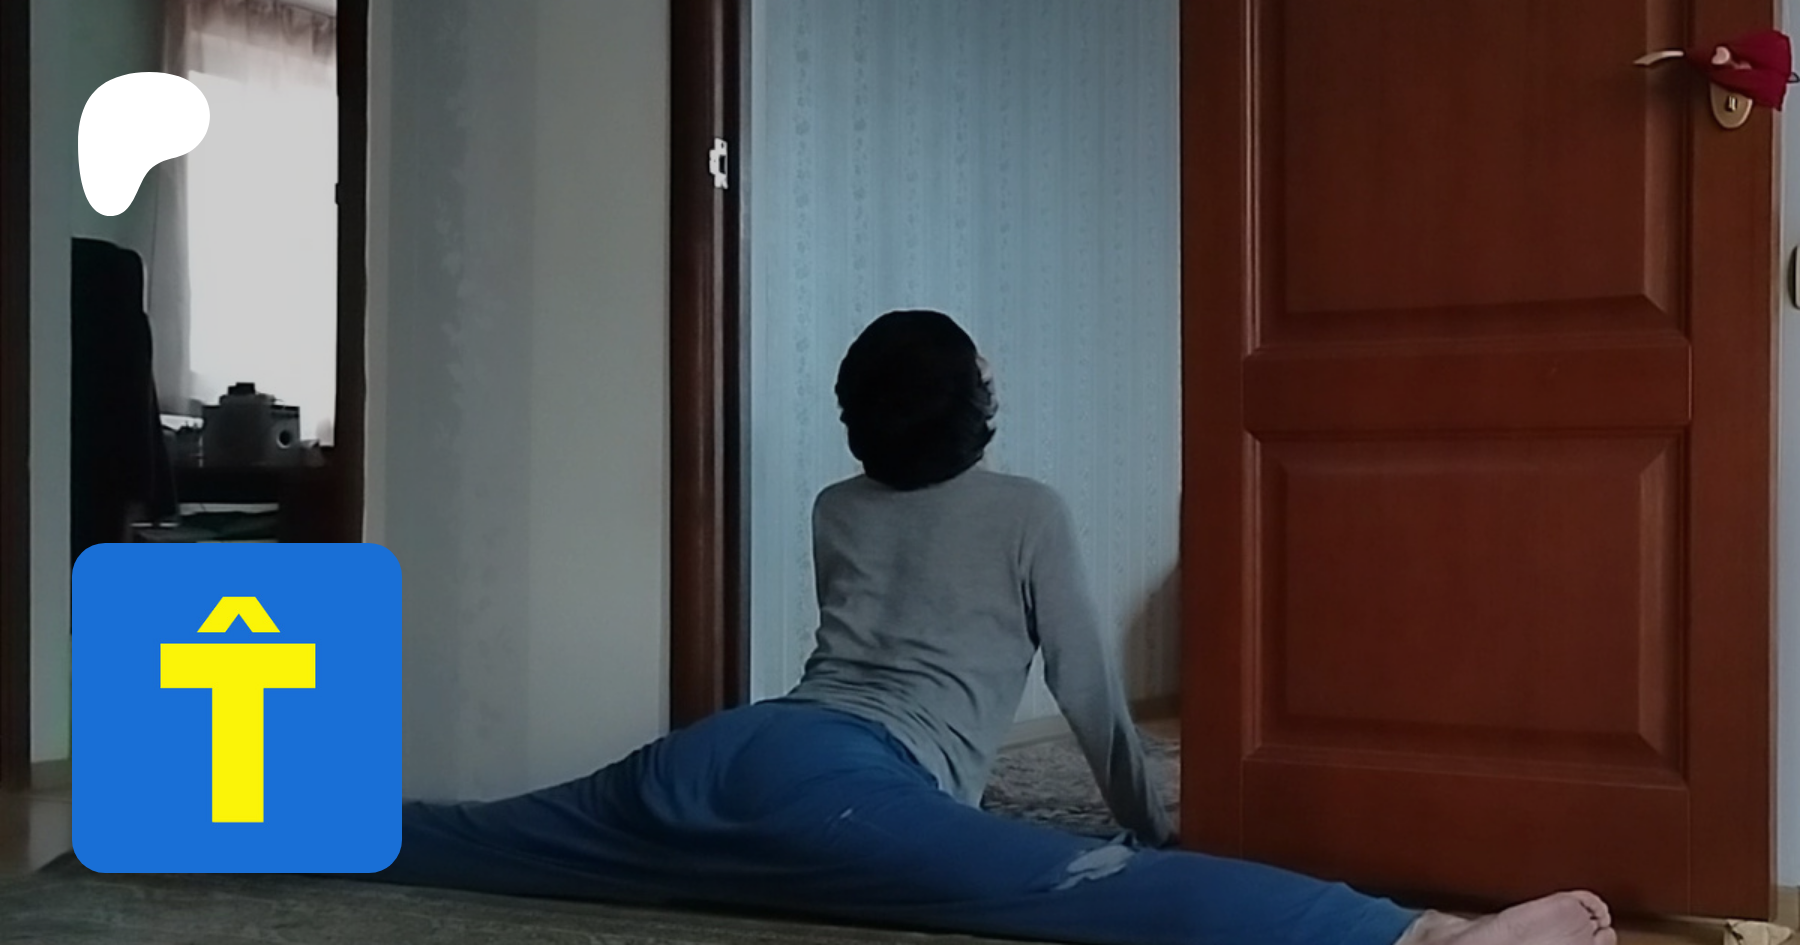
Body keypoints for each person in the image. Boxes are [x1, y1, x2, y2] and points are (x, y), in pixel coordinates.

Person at [371, 310, 1617, 945]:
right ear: (975, 405)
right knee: (1085, 889)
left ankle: (259, 802)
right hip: (844, 781)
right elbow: (1088, 692)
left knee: (465, 843)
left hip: (727, 749)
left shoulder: (837, 505)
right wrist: (1147, 825)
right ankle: (1421, 934)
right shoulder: (1027, 511)